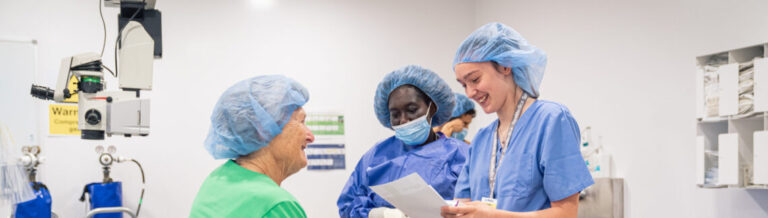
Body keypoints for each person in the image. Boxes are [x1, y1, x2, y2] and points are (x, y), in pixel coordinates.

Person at [441, 22, 594, 218]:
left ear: (505, 66)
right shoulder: (481, 140)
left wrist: (495, 216)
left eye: (475, 79)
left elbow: (566, 213)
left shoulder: (551, 121)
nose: (470, 93)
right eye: (463, 85)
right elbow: (463, 205)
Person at [337, 65, 469, 218]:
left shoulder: (460, 155)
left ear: (432, 108)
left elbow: (482, 205)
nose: (404, 120)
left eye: (412, 110)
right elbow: (348, 204)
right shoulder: (375, 157)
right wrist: (380, 214)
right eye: (395, 114)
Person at [190, 75, 315, 218]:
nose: (311, 137)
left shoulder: (217, 181)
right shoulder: (275, 206)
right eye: (301, 121)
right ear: (264, 130)